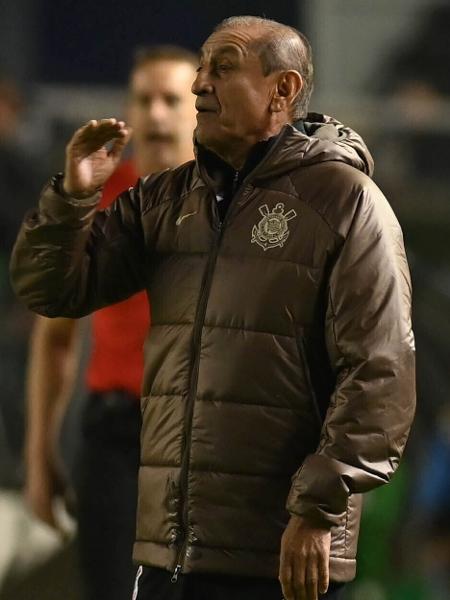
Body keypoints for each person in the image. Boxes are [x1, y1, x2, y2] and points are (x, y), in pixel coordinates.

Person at [10, 15, 416, 600]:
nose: (202, 84)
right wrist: (71, 199)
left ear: (284, 91)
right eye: (202, 69)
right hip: (169, 550)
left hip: (284, 552)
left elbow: (382, 373)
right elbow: (53, 291)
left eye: (223, 68)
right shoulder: (165, 198)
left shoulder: (347, 202)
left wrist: (319, 509)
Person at [23, 46, 198, 600]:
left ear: (199, 111)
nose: (157, 113)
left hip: (200, 434)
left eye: (173, 99)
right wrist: (39, 457)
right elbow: (53, 337)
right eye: (144, 99)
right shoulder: (95, 200)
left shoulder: (230, 204)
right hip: (116, 434)